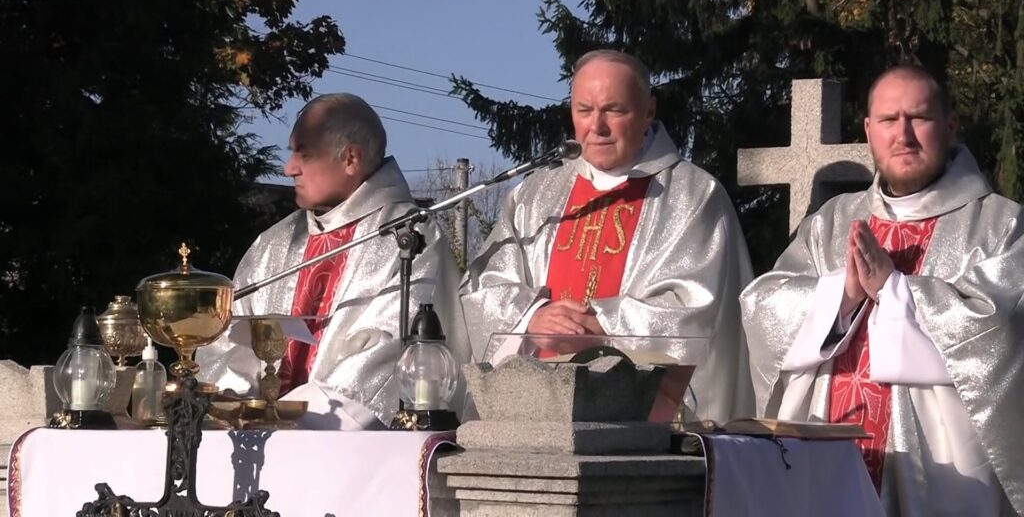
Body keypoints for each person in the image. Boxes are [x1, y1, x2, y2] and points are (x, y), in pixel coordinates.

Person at [740, 65, 1023, 515]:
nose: (903, 135)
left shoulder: (1000, 225)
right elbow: (762, 304)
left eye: (919, 118)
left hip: (938, 475)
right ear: (869, 131)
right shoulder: (832, 220)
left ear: (950, 125)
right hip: (825, 463)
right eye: (889, 121)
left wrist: (895, 292)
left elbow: (1002, 328)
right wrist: (841, 295)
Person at [459, 50, 755, 423]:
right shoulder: (534, 195)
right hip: (533, 412)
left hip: (644, 421)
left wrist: (599, 326)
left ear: (648, 111)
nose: (596, 127)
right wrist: (532, 318)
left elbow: (697, 308)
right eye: (584, 110)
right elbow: (486, 284)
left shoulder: (694, 196)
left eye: (613, 110)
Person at [197, 93, 471, 429]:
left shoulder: (411, 236)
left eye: (304, 154)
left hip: (348, 447)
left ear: (351, 158)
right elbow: (230, 335)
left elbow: (389, 352)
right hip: (252, 442)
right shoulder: (274, 244)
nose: (289, 169)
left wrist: (294, 420)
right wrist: (236, 403)